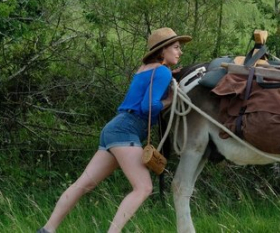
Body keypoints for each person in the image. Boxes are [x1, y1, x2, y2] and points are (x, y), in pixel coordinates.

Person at [38, 27, 191, 233]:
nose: (180, 52)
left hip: (114, 128)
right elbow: (148, 107)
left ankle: (47, 229)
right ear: (162, 51)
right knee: (143, 188)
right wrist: (169, 100)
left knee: (83, 184)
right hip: (127, 130)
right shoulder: (161, 71)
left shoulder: (145, 69)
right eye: (175, 47)